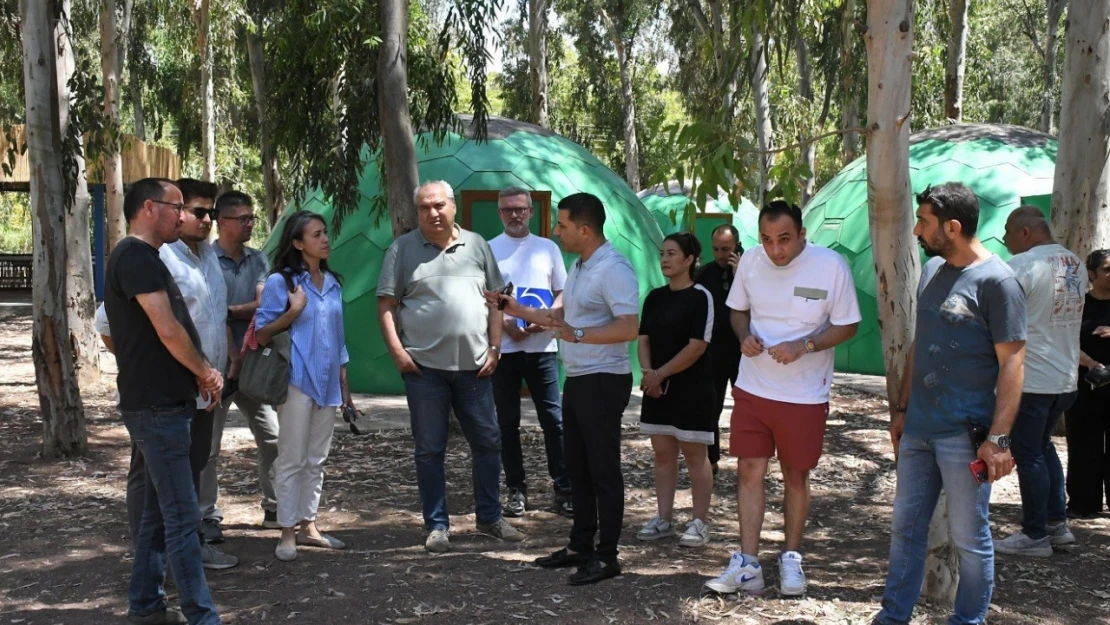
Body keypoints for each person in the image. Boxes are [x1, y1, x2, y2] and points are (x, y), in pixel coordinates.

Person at [871, 183, 1024, 625]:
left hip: (965, 434)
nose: (917, 229)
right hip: (919, 428)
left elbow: (1013, 363)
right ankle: (892, 616)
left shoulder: (998, 282)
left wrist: (997, 439)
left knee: (970, 538)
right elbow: (923, 340)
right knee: (905, 529)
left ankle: (967, 621)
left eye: (924, 222)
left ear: (952, 228)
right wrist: (901, 409)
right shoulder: (933, 270)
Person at [705, 200, 861, 597]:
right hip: (753, 389)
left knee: (795, 474)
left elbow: (848, 325)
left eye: (785, 240)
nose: (775, 249)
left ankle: (791, 557)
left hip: (804, 396)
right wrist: (744, 337)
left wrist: (804, 345)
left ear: (802, 235)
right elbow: (737, 311)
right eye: (767, 239)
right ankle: (748, 564)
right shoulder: (752, 263)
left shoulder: (830, 266)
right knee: (747, 472)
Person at [487, 192, 640, 586]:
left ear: (585, 230)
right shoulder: (580, 265)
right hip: (579, 379)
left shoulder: (614, 269)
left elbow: (628, 327)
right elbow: (560, 316)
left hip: (604, 381)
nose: (556, 231)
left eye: (563, 225)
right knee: (579, 468)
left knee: (603, 471)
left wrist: (579, 333)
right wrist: (513, 308)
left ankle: (607, 557)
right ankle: (580, 546)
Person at [377, 180, 525, 553]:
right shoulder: (402, 249)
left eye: (439, 205)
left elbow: (496, 302)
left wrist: (495, 347)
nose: (433, 213)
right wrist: (398, 352)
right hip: (423, 369)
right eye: (425, 207)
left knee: (488, 442)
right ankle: (437, 525)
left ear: (453, 206)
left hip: (475, 367)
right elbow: (386, 306)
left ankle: (490, 517)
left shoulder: (477, 246)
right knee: (429, 449)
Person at [104, 177, 222, 625]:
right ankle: (201, 616)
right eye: (177, 207)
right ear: (149, 209)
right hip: (156, 407)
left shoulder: (146, 258)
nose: (184, 216)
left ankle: (147, 606)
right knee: (181, 517)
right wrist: (206, 373)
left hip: (165, 403)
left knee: (157, 514)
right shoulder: (135, 256)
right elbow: (168, 329)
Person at [256, 210, 354, 562]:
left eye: (325, 232)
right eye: (316, 234)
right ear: (297, 243)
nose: (325, 239)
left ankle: (309, 525)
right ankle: (286, 531)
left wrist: (345, 385)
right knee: (292, 459)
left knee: (317, 459)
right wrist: (293, 311)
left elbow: (339, 338)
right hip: (296, 381)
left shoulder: (332, 283)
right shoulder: (281, 283)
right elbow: (262, 334)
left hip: (328, 383)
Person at [154, 178, 238, 570]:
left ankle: (186, 550)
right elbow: (110, 329)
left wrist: (227, 356)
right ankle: (161, 558)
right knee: (163, 480)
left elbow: (214, 315)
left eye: (212, 213)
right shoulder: (157, 257)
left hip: (209, 389)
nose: (208, 220)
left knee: (194, 468)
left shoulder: (208, 258)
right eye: (200, 212)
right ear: (177, 211)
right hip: (170, 393)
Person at [997, 206, 1085, 555]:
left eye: (1007, 232)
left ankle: (1034, 534)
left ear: (1025, 233)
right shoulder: (1073, 261)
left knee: (1028, 451)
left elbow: (997, 315)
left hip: (1032, 379)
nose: (1004, 240)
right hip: (1065, 378)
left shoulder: (1021, 266)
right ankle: (1056, 524)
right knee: (1043, 446)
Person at [487, 186, 572, 518]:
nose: (514, 215)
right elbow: (484, 297)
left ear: (531, 212)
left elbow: (562, 292)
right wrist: (506, 324)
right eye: (508, 210)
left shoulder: (548, 248)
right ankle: (515, 490)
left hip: (543, 349)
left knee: (554, 420)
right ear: (499, 213)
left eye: (520, 209)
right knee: (507, 423)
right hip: (505, 351)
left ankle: (564, 488)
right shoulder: (490, 249)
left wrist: (546, 320)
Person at [200, 191, 281, 536]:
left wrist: (227, 310)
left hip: (252, 364)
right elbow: (203, 311)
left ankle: (276, 508)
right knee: (208, 446)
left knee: (272, 437)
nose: (250, 224)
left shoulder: (259, 259)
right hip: (215, 365)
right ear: (223, 221)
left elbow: (264, 307)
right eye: (243, 218)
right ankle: (207, 515)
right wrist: (228, 314)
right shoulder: (204, 259)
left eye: (252, 218)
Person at [636, 232, 716, 548]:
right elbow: (643, 339)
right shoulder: (654, 297)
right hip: (657, 389)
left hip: (692, 389)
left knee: (696, 455)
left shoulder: (701, 297)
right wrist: (648, 374)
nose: (665, 259)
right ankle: (664, 519)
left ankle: (700, 522)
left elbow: (697, 346)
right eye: (662, 253)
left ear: (689, 260)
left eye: (672, 253)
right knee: (663, 454)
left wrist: (660, 374)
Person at [694, 224, 744, 474]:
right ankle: (711, 458)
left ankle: (747, 456)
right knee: (710, 405)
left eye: (726, 249)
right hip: (713, 350)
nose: (721, 254)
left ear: (737, 247)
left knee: (745, 405)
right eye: (716, 249)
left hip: (742, 350)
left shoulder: (748, 274)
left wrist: (738, 274)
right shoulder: (704, 274)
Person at [1065, 249, 1110, 518]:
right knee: (1083, 445)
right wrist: (1088, 363)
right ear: (1091, 275)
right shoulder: (1076, 305)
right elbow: (1062, 338)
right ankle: (1083, 503)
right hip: (1084, 387)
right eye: (1107, 269)